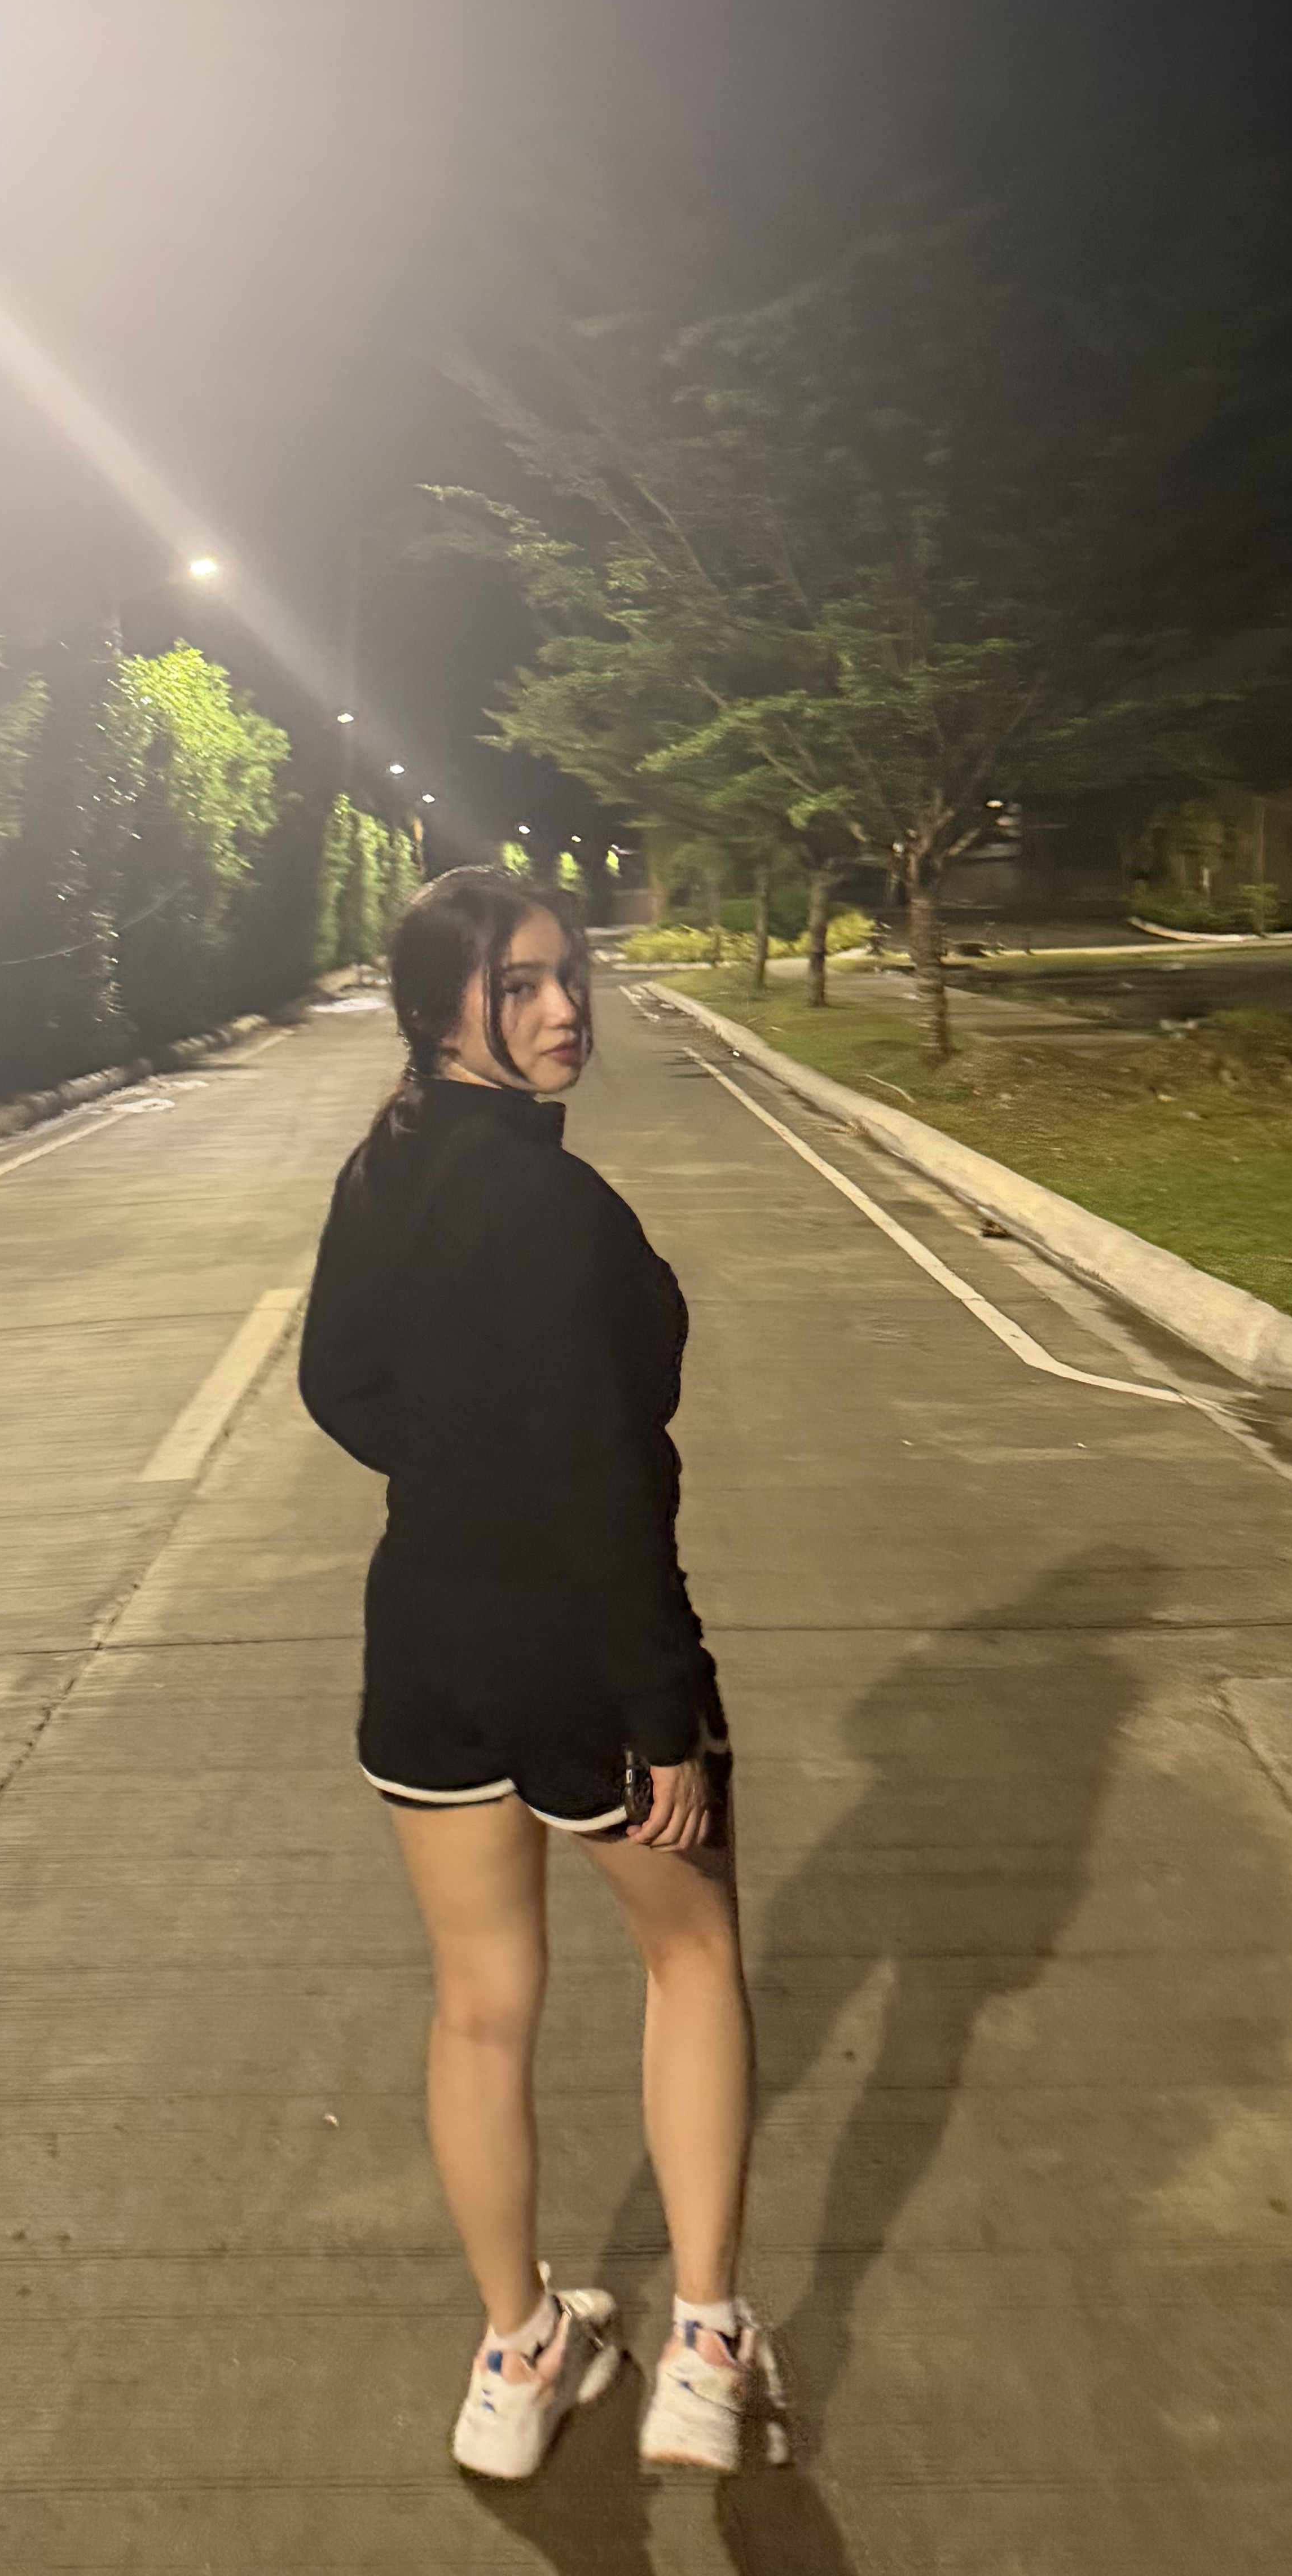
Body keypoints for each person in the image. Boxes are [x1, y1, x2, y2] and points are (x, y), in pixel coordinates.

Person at [298, 866, 764, 2483]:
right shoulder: (560, 1212)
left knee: (480, 2006)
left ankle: (519, 2354)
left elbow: (338, 1383)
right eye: (520, 986)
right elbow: (605, 1482)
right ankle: (704, 2346)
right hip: (579, 1649)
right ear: (443, 1010)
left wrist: (458, 1472)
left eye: (571, 976)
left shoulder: (383, 1168)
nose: (567, 1010)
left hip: (427, 1633)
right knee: (692, 1958)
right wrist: (663, 1707)